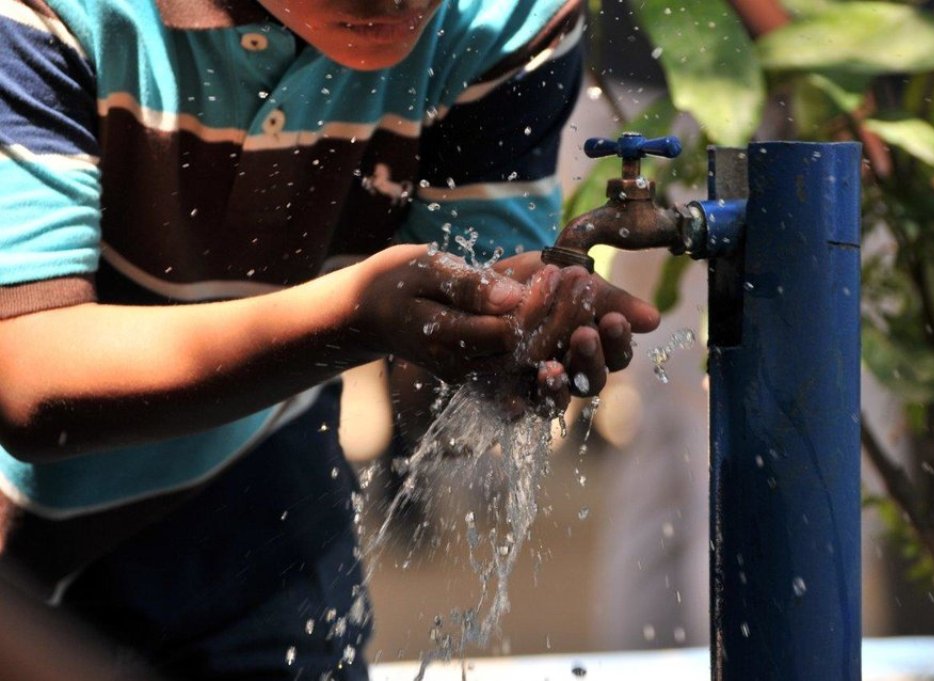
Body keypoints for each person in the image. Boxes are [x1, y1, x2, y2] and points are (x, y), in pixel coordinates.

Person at [0, 0, 660, 679]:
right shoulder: (58, 13)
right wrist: (351, 317)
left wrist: (510, 336)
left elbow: (461, 318)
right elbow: (27, 373)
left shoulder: (503, 17)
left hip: (258, 477)